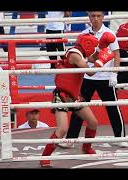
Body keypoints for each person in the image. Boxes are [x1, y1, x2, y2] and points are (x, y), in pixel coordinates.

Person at [40, 33, 116, 167]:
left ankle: (86, 148)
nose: (93, 49)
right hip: (62, 95)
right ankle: (44, 158)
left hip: (74, 96)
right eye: (92, 46)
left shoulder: (79, 53)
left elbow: (91, 58)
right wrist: (101, 61)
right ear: (86, 44)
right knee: (63, 129)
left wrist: (100, 50)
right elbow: (90, 72)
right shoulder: (75, 55)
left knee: (93, 122)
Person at [59, 11, 128, 148]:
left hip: (105, 76)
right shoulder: (83, 34)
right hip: (87, 76)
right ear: (89, 17)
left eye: (98, 16)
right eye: (93, 16)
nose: (96, 19)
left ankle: (120, 137)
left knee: (113, 108)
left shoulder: (109, 33)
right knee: (78, 108)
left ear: (102, 17)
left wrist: (115, 73)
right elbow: (79, 56)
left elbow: (116, 54)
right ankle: (71, 139)